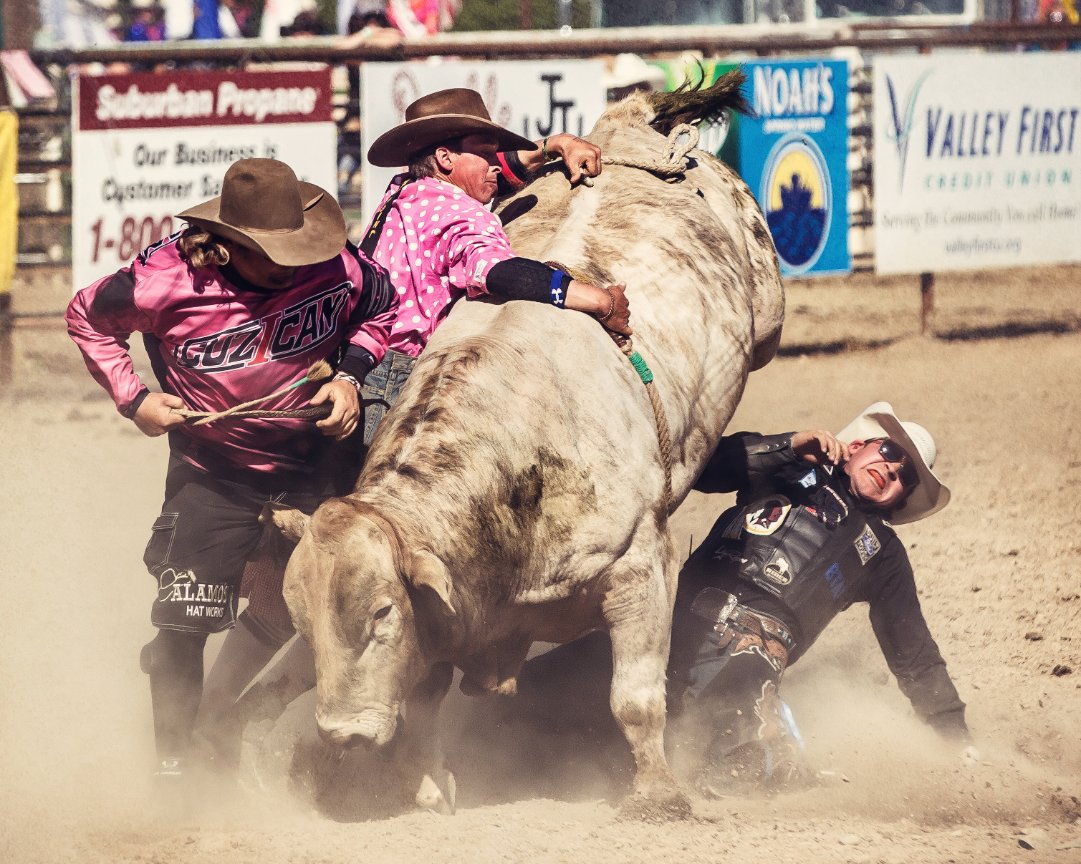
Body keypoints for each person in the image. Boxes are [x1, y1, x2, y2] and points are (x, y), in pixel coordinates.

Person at [224, 87, 632, 731]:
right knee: (392, 566)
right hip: (401, 388)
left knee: (321, 563)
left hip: (354, 375)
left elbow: (491, 179)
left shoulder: (404, 194)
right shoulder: (458, 212)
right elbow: (495, 273)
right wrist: (590, 297)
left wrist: (549, 150)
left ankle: (221, 710)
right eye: (483, 151)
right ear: (445, 157)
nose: (497, 164)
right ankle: (287, 711)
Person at [64, 157, 397, 796]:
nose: (293, 264)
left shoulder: (339, 266)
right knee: (184, 619)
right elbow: (86, 317)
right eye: (275, 255)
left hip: (317, 461)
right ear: (228, 244)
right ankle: (174, 768)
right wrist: (135, 398)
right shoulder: (164, 279)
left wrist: (351, 377)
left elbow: (381, 306)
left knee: (333, 601)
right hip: (213, 469)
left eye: (299, 248)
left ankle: (262, 725)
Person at [510, 401, 974, 797]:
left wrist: (953, 737)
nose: (891, 468)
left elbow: (913, 651)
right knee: (533, 693)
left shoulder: (883, 553)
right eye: (890, 452)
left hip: (751, 654)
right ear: (858, 446)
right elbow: (699, 466)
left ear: (900, 499)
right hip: (667, 622)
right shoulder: (790, 466)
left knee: (730, 751)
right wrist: (787, 445)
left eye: (905, 476)